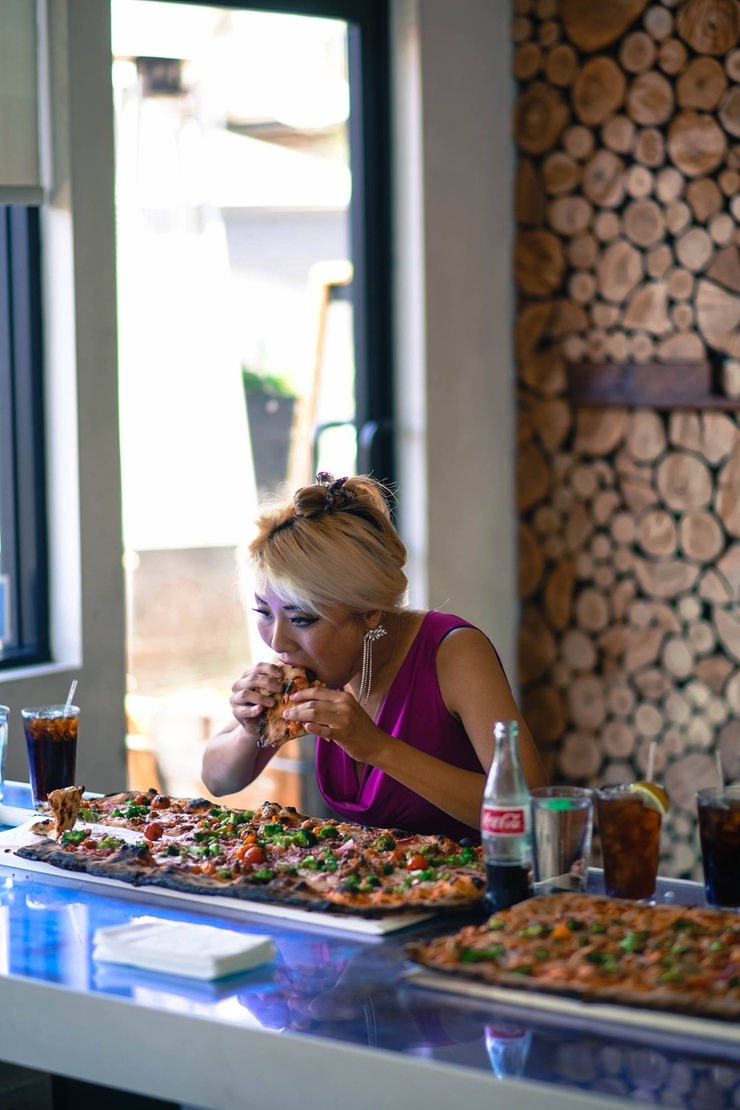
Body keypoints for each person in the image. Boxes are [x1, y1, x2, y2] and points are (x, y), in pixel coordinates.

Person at [201, 472, 546, 841]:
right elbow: (218, 781)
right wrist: (248, 732)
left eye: (302, 619)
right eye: (264, 613)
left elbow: (528, 812)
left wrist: (378, 748)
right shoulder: (307, 666)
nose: (277, 641)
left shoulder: (456, 653)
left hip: (473, 872)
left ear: (369, 613)